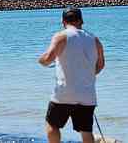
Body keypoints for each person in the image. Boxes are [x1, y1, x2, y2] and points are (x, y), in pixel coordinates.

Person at [38, 7, 105, 143]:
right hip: (87, 94)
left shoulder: (61, 36)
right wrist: (87, 75)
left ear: (63, 22)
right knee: (86, 131)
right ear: (81, 21)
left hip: (64, 93)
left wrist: (41, 60)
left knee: (52, 125)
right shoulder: (95, 39)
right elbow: (100, 65)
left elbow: (47, 59)